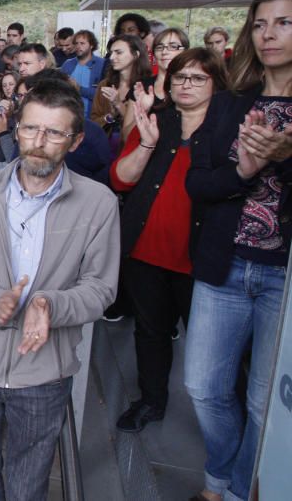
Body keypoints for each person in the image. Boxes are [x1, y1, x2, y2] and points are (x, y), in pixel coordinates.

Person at [0, 78, 120, 501]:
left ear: (75, 141)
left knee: (28, 486)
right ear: (15, 128)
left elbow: (101, 289)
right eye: (30, 128)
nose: (39, 142)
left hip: (44, 374)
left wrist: (48, 304)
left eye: (55, 132)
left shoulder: (98, 203)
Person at [184, 0, 292, 501]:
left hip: (283, 279)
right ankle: (224, 472)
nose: (269, 34)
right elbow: (197, 184)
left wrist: (284, 156)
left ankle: (231, 489)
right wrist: (245, 169)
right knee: (203, 388)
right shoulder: (230, 106)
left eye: (285, 22)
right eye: (261, 22)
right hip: (225, 265)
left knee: (262, 400)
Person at [110, 47, 225, 434]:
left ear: (215, 84)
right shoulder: (156, 121)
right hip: (145, 250)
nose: (186, 85)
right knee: (150, 332)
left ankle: (222, 422)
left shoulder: (228, 127)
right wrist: (145, 143)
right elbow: (121, 179)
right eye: (179, 77)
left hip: (201, 260)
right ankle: (151, 402)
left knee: (211, 350)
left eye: (197, 78)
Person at [91, 34, 153, 156]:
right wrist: (110, 117)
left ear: (136, 54)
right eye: (111, 52)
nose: (112, 57)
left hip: (133, 150)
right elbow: (94, 121)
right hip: (104, 148)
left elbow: (143, 126)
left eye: (118, 52)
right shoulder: (105, 85)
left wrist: (119, 105)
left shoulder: (146, 88)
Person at [60, 30, 104, 117]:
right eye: (76, 43)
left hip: (93, 117)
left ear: (91, 45)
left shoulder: (102, 64)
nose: (78, 46)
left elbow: (103, 95)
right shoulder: (68, 64)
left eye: (82, 43)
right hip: (69, 116)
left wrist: (80, 89)